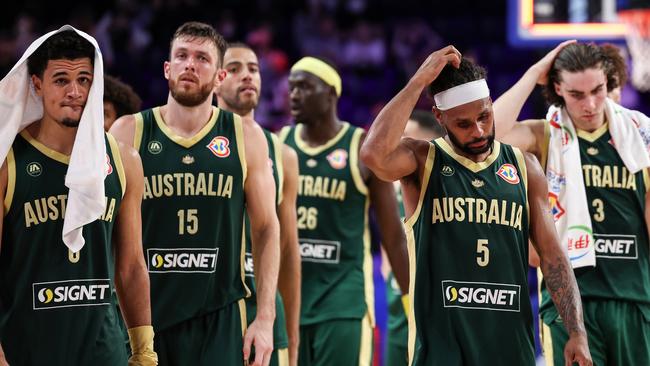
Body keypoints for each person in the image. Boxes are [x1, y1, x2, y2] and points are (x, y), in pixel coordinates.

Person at [360, 46, 591, 365]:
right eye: (464, 124)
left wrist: (576, 331)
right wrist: (418, 82)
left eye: (484, 116)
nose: (479, 130)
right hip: (442, 348)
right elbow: (373, 154)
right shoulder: (422, 161)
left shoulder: (525, 167)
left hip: (509, 344)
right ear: (440, 117)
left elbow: (552, 255)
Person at [110, 22, 280, 366]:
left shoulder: (245, 136)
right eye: (182, 56)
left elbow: (266, 229)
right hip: (142, 317)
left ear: (219, 77)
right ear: (167, 68)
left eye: (202, 58)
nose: (190, 64)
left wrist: (265, 319)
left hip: (219, 315)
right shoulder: (129, 132)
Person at [0, 28, 155, 365]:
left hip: (105, 351)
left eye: (84, 79)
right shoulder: (8, 162)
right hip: (28, 349)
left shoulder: (124, 160)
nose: (74, 91)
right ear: (37, 84)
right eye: (61, 80)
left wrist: (144, 348)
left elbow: (130, 266)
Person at [494, 41, 650, 366]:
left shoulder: (641, 135)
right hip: (570, 304)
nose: (590, 104)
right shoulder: (544, 135)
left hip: (635, 298)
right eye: (577, 95)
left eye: (597, 90)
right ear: (557, 90)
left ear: (608, 83)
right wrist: (533, 73)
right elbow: (489, 133)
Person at [279, 56, 409, 366]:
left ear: (331, 94)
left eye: (304, 87)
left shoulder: (360, 148)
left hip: (342, 303)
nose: (294, 95)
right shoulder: (278, 144)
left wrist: (411, 303)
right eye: (291, 87)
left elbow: (393, 236)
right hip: (286, 301)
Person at [216, 42, 301, 366]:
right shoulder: (187, 143)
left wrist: (292, 342)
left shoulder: (283, 154)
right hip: (210, 308)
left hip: (262, 315)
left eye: (253, 69)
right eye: (234, 68)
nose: (247, 76)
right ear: (215, 79)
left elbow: (290, 251)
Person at [382, 109, 443, 366]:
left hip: (439, 307)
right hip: (400, 305)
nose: (398, 146)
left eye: (406, 138)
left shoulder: (449, 185)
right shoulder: (394, 186)